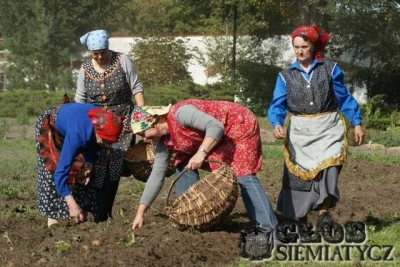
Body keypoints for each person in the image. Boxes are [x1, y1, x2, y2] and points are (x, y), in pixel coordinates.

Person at [130, 100, 278, 237]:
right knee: (182, 162)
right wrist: (140, 213)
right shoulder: (163, 142)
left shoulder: (181, 113)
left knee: (243, 175)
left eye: (143, 133)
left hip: (237, 124)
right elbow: (156, 175)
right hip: (215, 136)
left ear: (155, 123)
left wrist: (201, 153)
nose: (144, 138)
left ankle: (267, 228)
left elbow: (215, 126)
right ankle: (192, 215)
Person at [267, 25, 365, 229]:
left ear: (313, 46)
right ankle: (301, 220)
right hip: (300, 132)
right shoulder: (285, 76)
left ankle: (323, 212)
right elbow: (278, 104)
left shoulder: (330, 69)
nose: (300, 51)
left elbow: (344, 98)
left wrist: (357, 123)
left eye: (304, 46)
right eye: (296, 47)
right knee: (298, 177)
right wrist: (276, 123)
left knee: (330, 168)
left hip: (328, 127)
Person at [75, 29, 144, 221]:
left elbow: (136, 88)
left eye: (102, 52)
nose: (99, 56)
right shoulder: (85, 67)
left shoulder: (122, 60)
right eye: (95, 53)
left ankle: (104, 211)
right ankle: (93, 210)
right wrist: (79, 122)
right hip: (95, 123)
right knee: (94, 165)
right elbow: (80, 98)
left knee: (114, 167)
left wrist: (142, 116)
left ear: (108, 48)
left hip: (122, 122)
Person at [35, 103, 123, 227]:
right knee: (53, 168)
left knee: (80, 170)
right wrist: (71, 203)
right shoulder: (78, 135)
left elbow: (92, 146)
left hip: (73, 124)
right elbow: (61, 172)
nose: (106, 144)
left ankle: (81, 211)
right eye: (105, 140)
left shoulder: (102, 122)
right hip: (51, 123)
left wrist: (88, 165)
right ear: (97, 130)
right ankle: (53, 216)